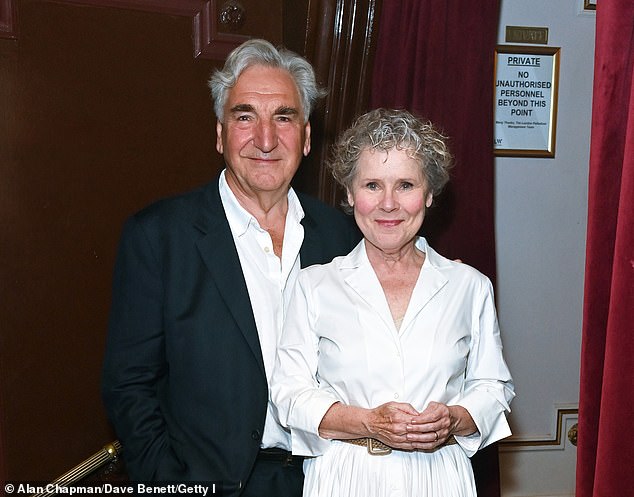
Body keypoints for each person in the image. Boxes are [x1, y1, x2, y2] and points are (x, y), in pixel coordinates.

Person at [101, 39, 359, 496]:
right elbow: (129, 385)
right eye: (245, 117)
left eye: (284, 117)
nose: (265, 139)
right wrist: (168, 482)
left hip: (328, 480)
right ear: (220, 134)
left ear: (307, 136)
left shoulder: (343, 239)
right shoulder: (159, 237)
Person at [271, 108, 515, 497]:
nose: (388, 204)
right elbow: (289, 395)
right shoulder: (313, 286)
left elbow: (493, 388)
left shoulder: (469, 287)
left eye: (405, 185)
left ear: (430, 193)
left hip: (442, 478)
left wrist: (454, 418)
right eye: (372, 185)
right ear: (349, 194)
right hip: (345, 478)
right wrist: (369, 422)